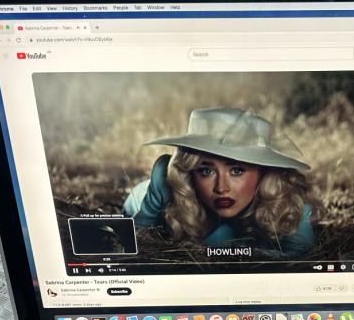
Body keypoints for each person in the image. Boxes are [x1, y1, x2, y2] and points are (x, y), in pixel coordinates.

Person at [123, 108, 315, 258]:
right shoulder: (166, 181)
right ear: (191, 172)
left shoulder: (286, 202)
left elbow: (300, 252)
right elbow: (137, 235)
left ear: (263, 172)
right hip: (140, 197)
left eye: (236, 171)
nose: (221, 188)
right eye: (206, 171)